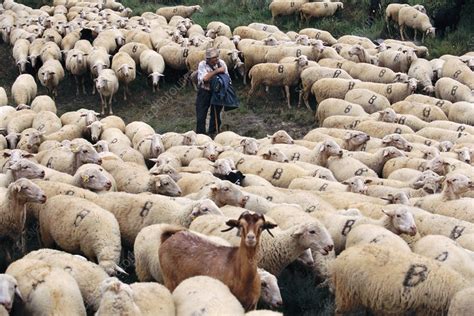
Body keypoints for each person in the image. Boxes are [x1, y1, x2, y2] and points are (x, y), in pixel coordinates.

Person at [195, 48, 229, 136]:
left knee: (216, 113)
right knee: (201, 113)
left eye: (217, 56)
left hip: (218, 92)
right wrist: (217, 71)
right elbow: (205, 78)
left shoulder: (221, 63)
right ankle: (201, 134)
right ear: (208, 59)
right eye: (214, 58)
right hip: (204, 91)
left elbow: (227, 77)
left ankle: (213, 132)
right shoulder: (202, 64)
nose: (217, 59)